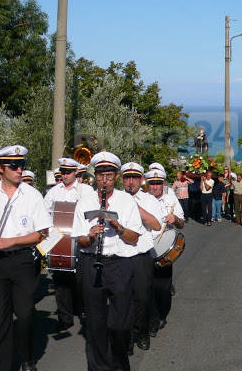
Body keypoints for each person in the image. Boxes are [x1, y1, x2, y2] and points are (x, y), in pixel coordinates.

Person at [0, 145, 53, 371]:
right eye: (15, 166)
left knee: (26, 315)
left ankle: (27, 355)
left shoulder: (32, 195)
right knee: (0, 319)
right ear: (1, 168)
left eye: (22, 166)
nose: (20, 170)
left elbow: (42, 233)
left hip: (23, 261)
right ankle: (4, 365)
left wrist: (12, 241)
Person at [72, 151, 143, 371]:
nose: (104, 180)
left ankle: (120, 363)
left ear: (116, 176)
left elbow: (134, 239)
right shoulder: (84, 201)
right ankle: (99, 367)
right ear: (95, 176)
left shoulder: (126, 201)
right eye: (101, 175)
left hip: (120, 263)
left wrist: (118, 226)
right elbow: (80, 240)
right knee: (95, 322)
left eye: (109, 175)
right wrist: (91, 235)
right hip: (91, 262)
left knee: (120, 324)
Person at [43, 157, 93, 333]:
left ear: (76, 173)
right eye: (62, 172)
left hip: (79, 237)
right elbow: (44, 214)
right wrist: (46, 243)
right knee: (60, 280)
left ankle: (83, 310)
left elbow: (91, 214)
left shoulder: (86, 191)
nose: (64, 175)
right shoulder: (53, 192)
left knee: (81, 279)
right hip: (58, 238)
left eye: (68, 172)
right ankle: (65, 318)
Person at [121, 162, 163, 352]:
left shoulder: (149, 200)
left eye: (135, 178)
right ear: (122, 180)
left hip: (141, 254)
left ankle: (143, 332)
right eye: (127, 178)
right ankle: (127, 339)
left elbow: (156, 225)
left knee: (143, 297)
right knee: (123, 299)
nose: (131, 182)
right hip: (120, 254)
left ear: (141, 180)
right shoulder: (116, 198)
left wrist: (134, 207)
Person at [146, 168, 185, 336]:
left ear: (163, 184)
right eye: (152, 183)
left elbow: (182, 223)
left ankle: (162, 314)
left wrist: (175, 219)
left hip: (164, 251)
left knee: (162, 288)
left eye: (158, 183)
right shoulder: (142, 199)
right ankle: (152, 320)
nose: (155, 186)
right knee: (146, 287)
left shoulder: (171, 199)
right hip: (145, 248)